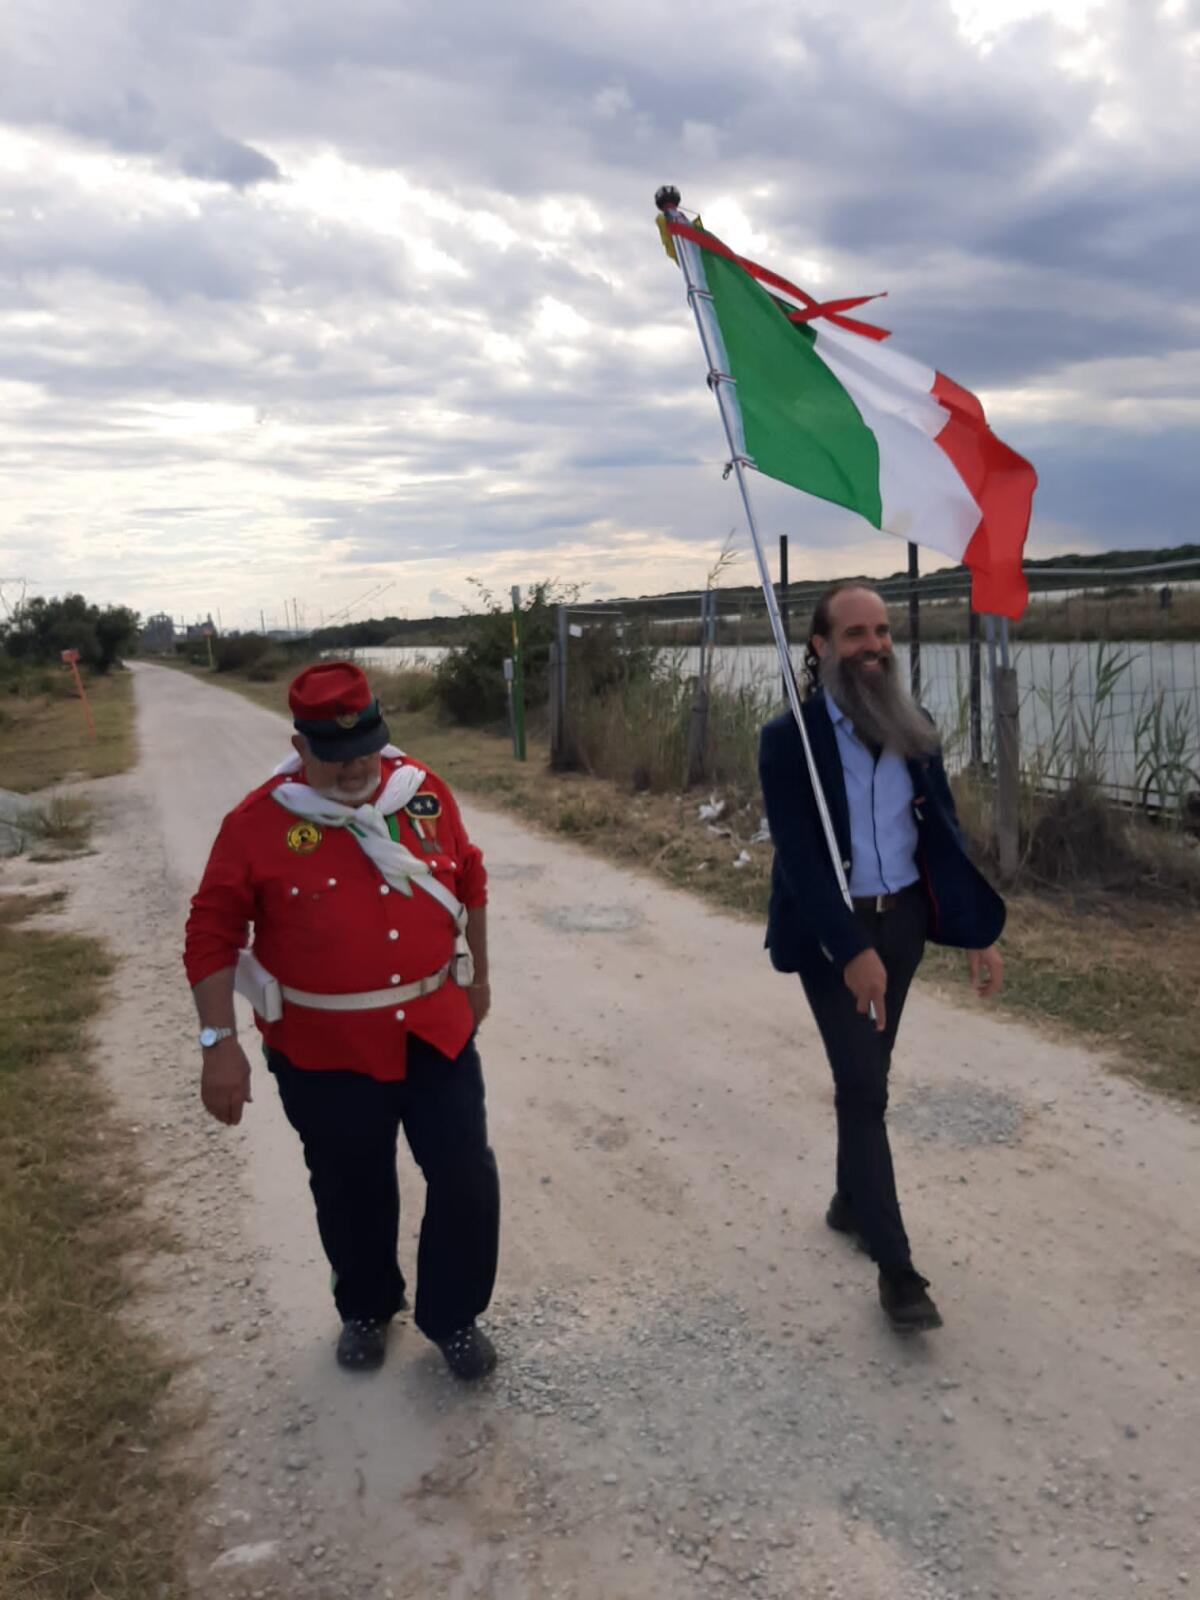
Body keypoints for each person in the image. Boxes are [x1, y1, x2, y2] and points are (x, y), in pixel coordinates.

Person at [184, 661, 500, 1380]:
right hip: (322, 1047)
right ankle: (365, 1305)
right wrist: (217, 1043)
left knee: (465, 1175)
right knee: (350, 1184)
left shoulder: (421, 792)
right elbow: (210, 934)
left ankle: (454, 1316)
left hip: (434, 1030)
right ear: (300, 747)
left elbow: (471, 878)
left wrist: (478, 977)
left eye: (366, 749)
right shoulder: (258, 824)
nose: (356, 768)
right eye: (334, 755)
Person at [758, 583, 1005, 1332]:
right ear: (821, 647)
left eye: (883, 631)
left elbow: (943, 835)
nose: (874, 646)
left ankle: (849, 1199)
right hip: (831, 936)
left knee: (869, 1074)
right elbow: (800, 862)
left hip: (904, 927)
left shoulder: (913, 726)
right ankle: (897, 1272)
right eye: (856, 633)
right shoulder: (790, 741)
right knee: (864, 1087)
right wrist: (850, 948)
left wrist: (976, 930)